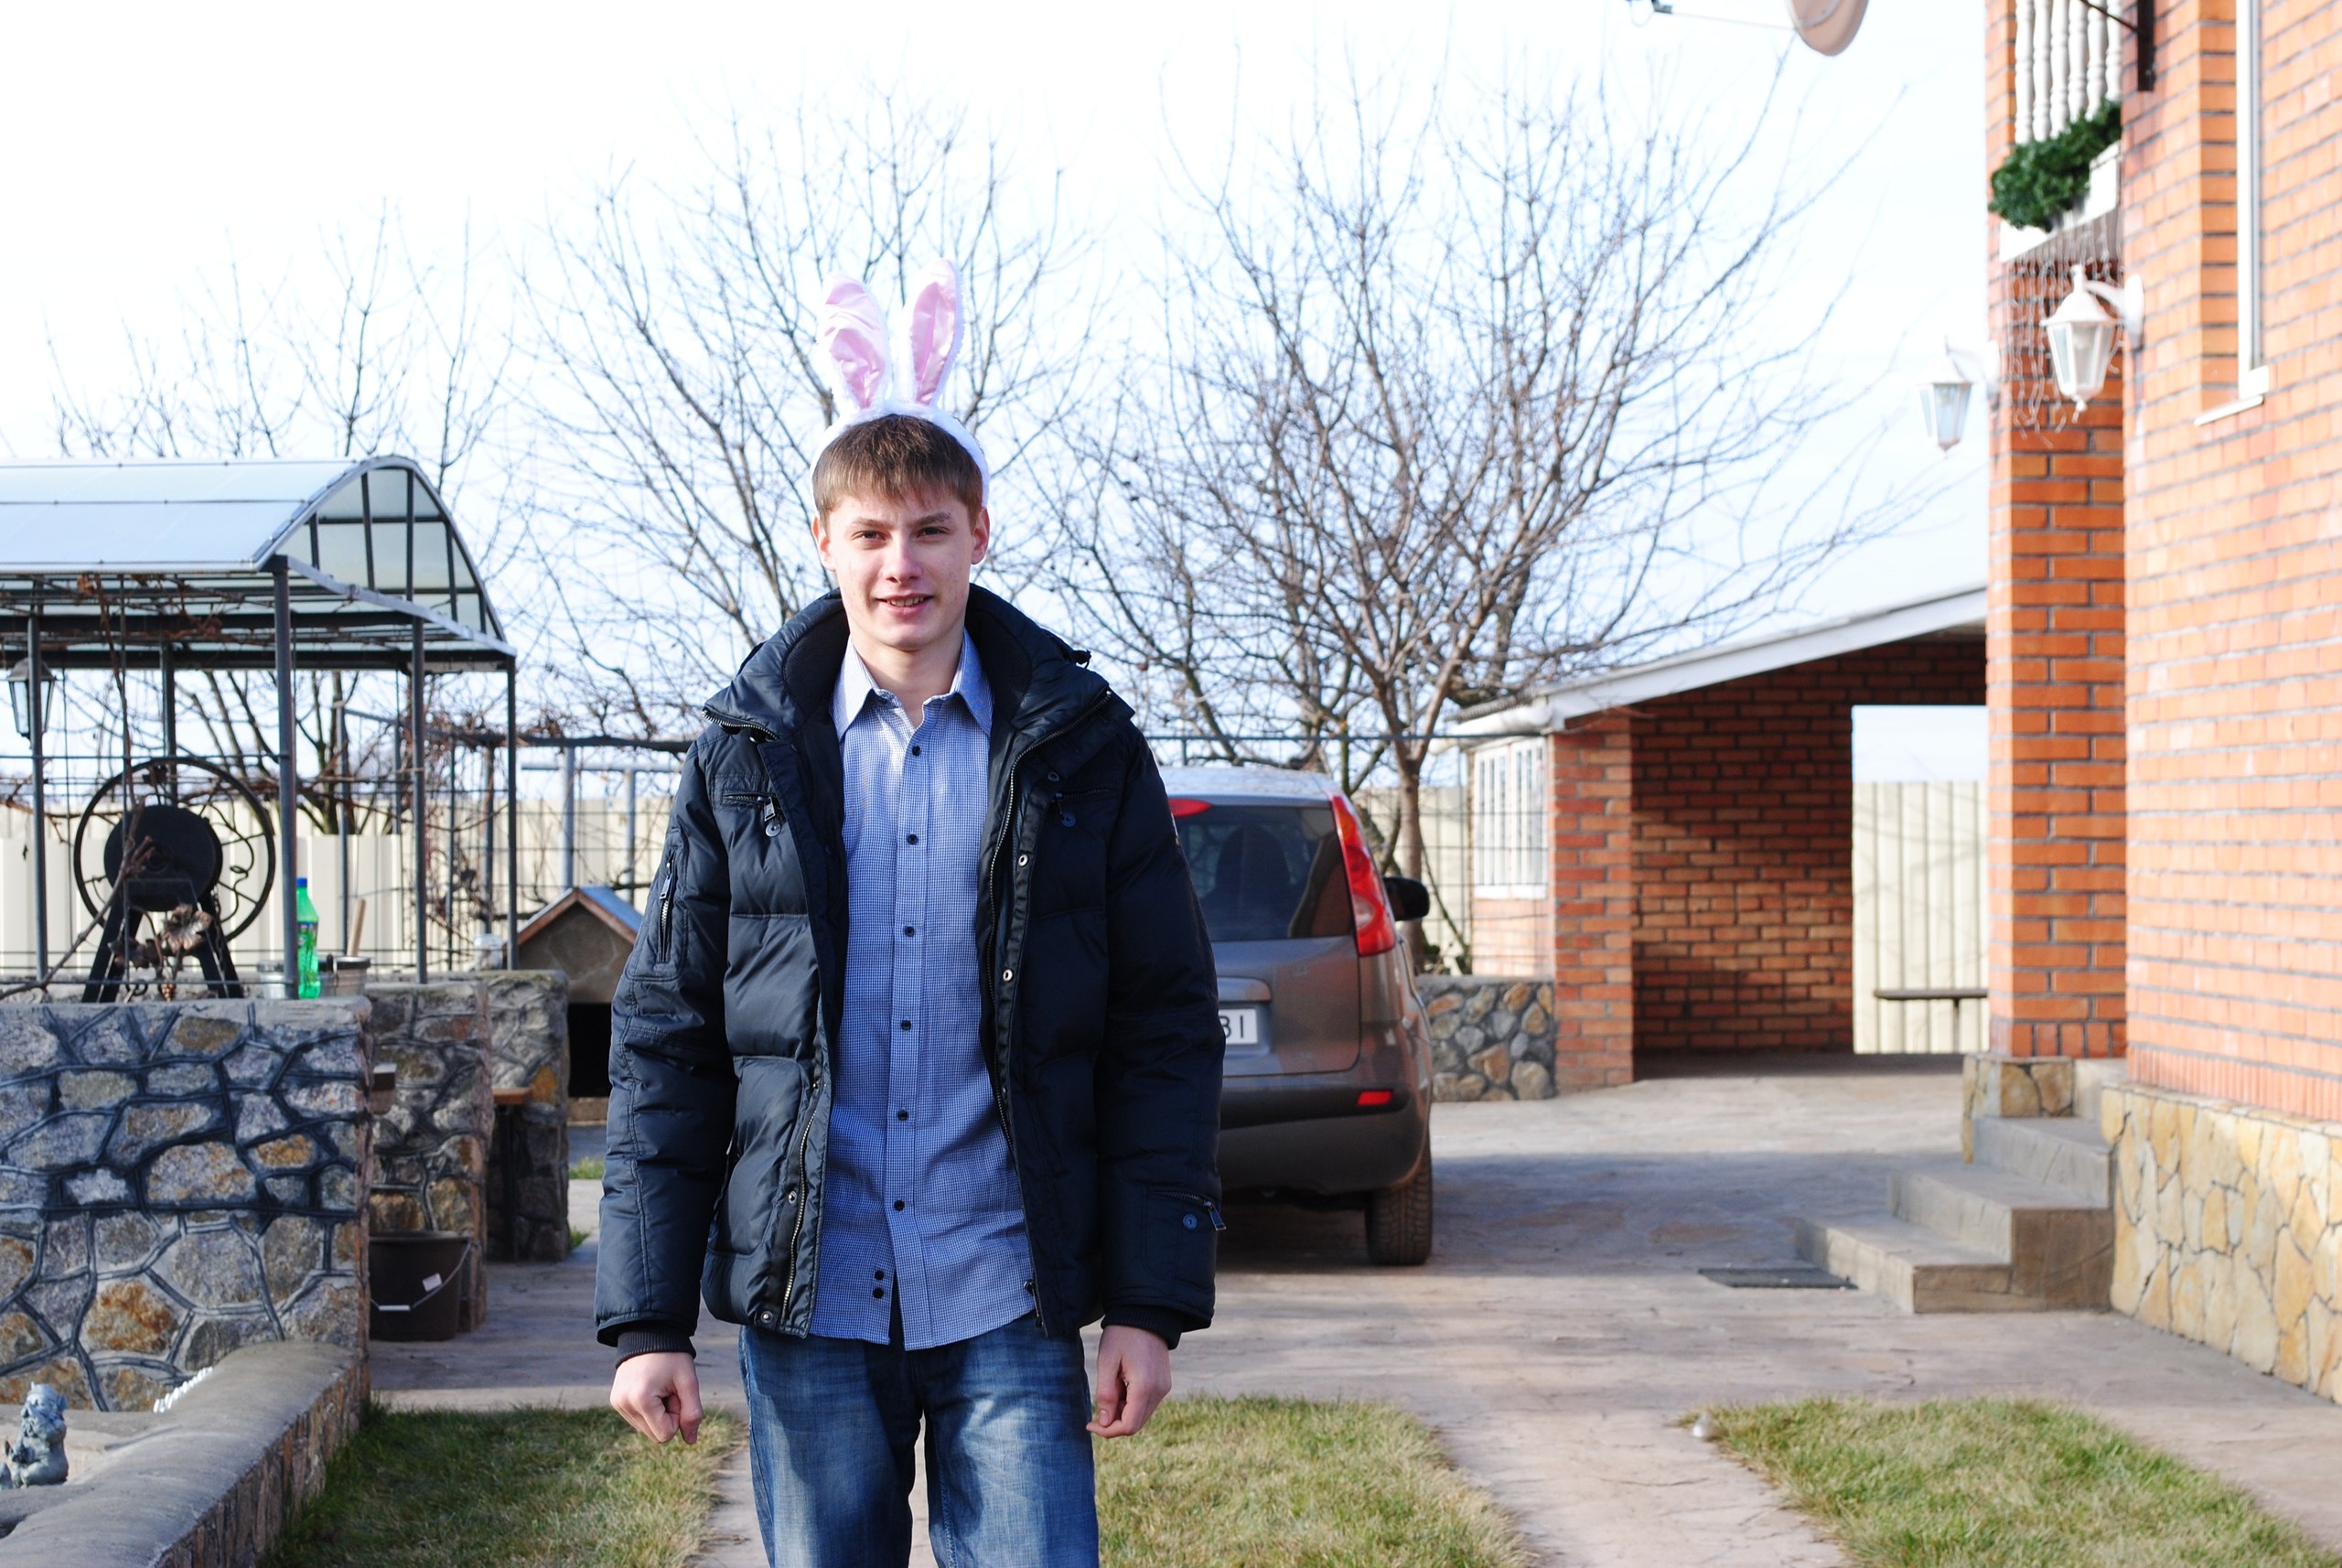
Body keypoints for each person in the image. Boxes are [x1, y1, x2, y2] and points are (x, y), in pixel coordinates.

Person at [595, 261, 1225, 1568]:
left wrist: (1147, 1301)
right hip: (811, 1292)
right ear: (823, 541)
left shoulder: (1084, 750)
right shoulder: (743, 756)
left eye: (931, 530)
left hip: (1008, 1285)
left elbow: (1163, 1031)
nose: (902, 565)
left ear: (979, 534)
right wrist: (647, 1318)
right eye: (872, 534)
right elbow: (670, 1038)